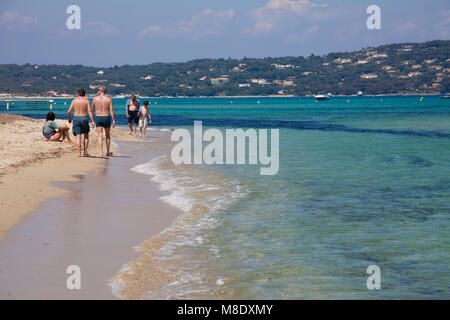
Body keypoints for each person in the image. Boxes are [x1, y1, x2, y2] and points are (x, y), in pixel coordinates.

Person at [67, 88, 95, 157]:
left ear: (78, 93)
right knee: (86, 135)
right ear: (84, 93)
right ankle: (85, 151)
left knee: (78, 136)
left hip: (76, 118)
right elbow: (90, 111)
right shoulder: (86, 101)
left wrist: (69, 118)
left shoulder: (74, 101)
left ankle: (79, 153)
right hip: (84, 118)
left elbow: (69, 111)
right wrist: (92, 121)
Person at [92, 86, 116, 157]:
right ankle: (108, 152)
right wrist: (114, 120)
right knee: (107, 136)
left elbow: (91, 110)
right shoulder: (108, 99)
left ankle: (101, 152)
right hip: (106, 117)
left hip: (98, 117)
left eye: (98, 90)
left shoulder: (95, 99)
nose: (97, 91)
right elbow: (111, 110)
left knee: (100, 136)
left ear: (101, 91)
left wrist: (93, 120)